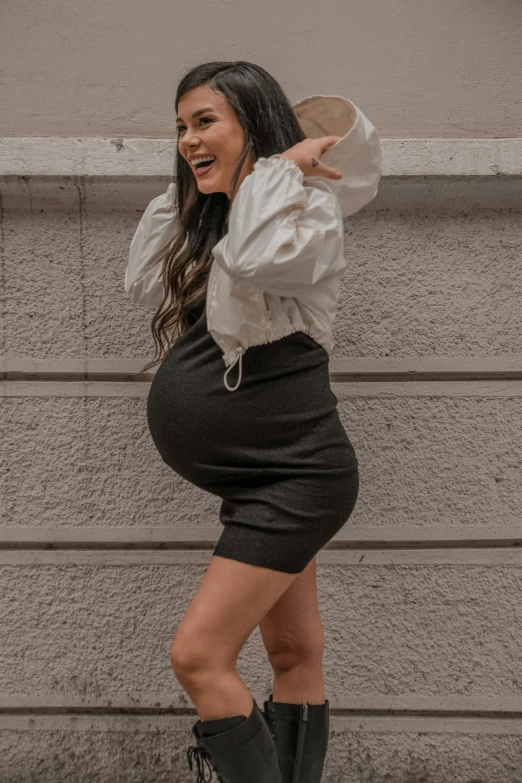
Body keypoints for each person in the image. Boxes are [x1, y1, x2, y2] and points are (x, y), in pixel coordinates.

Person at [125, 60, 381, 783]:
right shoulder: (230, 217)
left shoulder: (302, 213)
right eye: (180, 126)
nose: (186, 139)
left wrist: (277, 172)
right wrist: (236, 182)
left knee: (198, 655)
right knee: (295, 653)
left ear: (256, 126)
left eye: (205, 121)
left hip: (297, 476)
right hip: (257, 479)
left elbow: (260, 259)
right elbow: (145, 270)